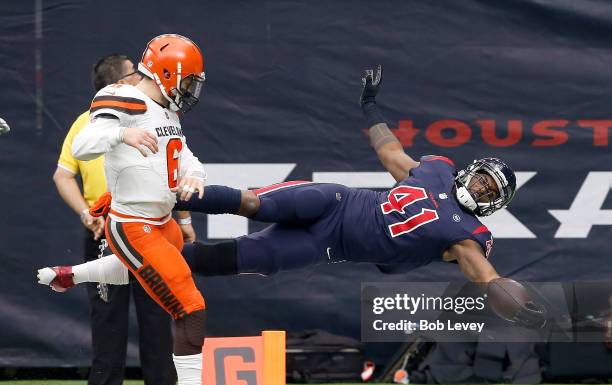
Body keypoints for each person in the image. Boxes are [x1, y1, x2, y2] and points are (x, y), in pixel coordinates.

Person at [39, 65, 546, 330]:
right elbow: (392, 156)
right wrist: (371, 108)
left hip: (330, 246)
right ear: (470, 171)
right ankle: (159, 202)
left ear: (494, 205)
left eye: (489, 191)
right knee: (250, 201)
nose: (479, 188)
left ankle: (86, 271)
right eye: (481, 179)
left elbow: (487, 279)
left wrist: (519, 306)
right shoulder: (435, 169)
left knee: (203, 261)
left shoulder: (468, 236)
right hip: (336, 203)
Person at [43, 35, 237, 385]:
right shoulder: (122, 97)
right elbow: (83, 145)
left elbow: (185, 155)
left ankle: (71, 275)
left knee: (143, 274)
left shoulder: (167, 110)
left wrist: (194, 176)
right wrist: (120, 134)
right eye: (187, 81)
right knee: (189, 306)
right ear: (168, 73)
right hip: (132, 223)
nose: (190, 91)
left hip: (163, 221)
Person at [53, 54, 178, 385]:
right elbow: (63, 174)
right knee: (108, 315)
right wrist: (85, 213)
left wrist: (182, 221)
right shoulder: (86, 124)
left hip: (149, 226)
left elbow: (171, 168)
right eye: (134, 73)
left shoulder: (156, 115)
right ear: (119, 84)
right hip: (104, 230)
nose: (143, 77)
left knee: (157, 309)